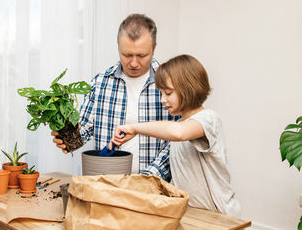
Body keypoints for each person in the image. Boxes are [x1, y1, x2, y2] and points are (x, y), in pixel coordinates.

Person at [51, 14, 179, 181]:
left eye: (141, 56)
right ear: (118, 47)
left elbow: (178, 142)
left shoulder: (172, 84)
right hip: (106, 185)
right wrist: (67, 139)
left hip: (154, 188)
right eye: (127, 55)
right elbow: (84, 129)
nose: (133, 63)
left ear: (154, 48)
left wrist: (147, 179)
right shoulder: (100, 82)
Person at [109, 54, 241, 217]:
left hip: (220, 215)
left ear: (188, 89)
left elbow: (179, 133)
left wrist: (135, 128)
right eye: (161, 93)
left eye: (168, 93)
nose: (162, 100)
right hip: (191, 213)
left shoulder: (208, 119)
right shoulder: (181, 124)